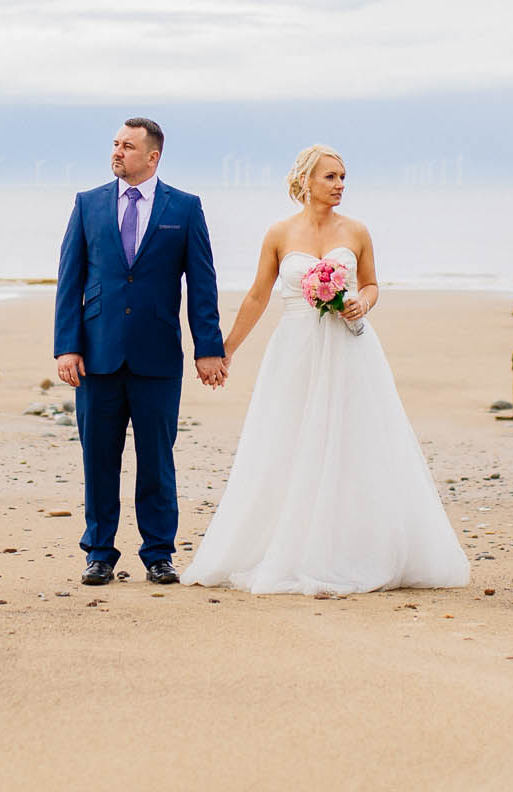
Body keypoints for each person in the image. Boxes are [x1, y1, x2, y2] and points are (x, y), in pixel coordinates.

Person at [182, 144, 469, 595]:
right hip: (295, 351)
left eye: (342, 178)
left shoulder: (356, 231)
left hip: (349, 349)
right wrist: (226, 350)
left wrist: (362, 303)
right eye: (330, 177)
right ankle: (288, 547)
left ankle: (352, 549)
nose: (339, 186)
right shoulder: (279, 233)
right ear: (306, 182)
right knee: (288, 440)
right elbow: (258, 296)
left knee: (353, 442)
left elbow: (371, 285)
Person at [54, 118, 226, 587]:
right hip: (98, 354)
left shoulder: (184, 208)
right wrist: (67, 346)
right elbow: (70, 279)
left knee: (157, 461)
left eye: (127, 146)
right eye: (115, 143)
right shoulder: (88, 204)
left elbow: (203, 283)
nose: (117, 152)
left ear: (153, 156)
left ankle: (158, 554)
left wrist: (208, 348)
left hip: (157, 355)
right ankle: (99, 553)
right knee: (99, 459)